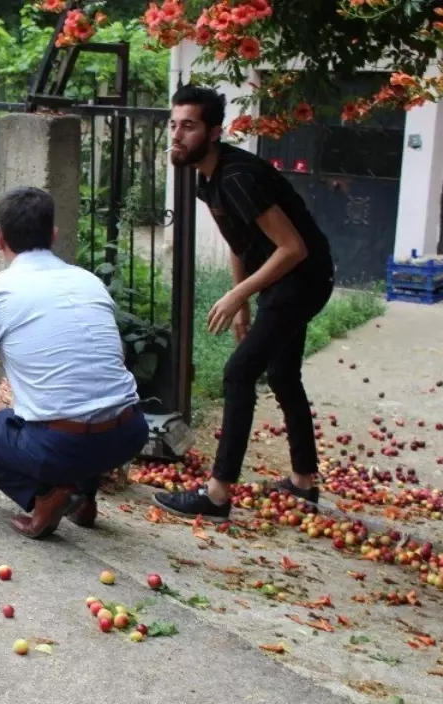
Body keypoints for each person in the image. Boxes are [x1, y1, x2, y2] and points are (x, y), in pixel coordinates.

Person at [153, 85, 336, 520]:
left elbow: (293, 247)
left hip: (303, 279)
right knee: (283, 373)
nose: (177, 136)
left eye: (189, 126)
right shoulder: (210, 179)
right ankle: (303, 482)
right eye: (173, 125)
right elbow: (239, 240)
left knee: (239, 372)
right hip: (283, 279)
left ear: (214, 132)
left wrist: (238, 293)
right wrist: (245, 304)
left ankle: (216, 495)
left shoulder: (237, 176)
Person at [0, 187, 149, 539]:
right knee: (77, 401)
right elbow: (105, 364)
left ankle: (46, 495)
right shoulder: (89, 282)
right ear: (54, 235)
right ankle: (83, 498)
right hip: (130, 433)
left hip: (64, 446)